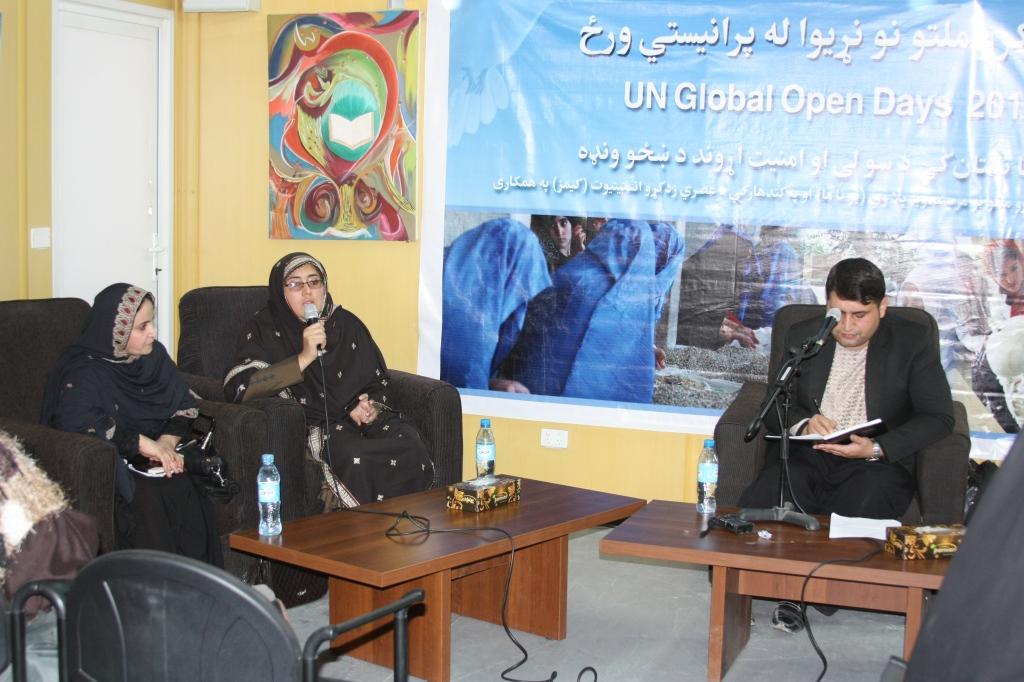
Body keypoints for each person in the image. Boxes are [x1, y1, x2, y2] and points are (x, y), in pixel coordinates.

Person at [738, 257, 955, 520]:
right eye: (837, 313)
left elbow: (939, 417)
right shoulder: (804, 336)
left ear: (882, 307)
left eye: (859, 315)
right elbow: (772, 406)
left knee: (863, 504)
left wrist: (877, 447)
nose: (847, 326)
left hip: (874, 464)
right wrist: (804, 425)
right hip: (807, 456)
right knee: (767, 501)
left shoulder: (912, 341)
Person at [224, 252, 433, 509]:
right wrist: (304, 357)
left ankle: (406, 522)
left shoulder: (346, 325)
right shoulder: (262, 329)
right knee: (354, 454)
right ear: (280, 291)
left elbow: (378, 381)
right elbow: (243, 388)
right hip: (316, 424)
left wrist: (369, 406)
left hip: (359, 420)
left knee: (409, 442)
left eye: (314, 282)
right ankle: (365, 527)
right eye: (295, 284)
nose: (307, 292)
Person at [41, 283, 222, 565]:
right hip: (113, 459)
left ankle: (198, 581)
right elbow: (76, 422)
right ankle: (153, 583)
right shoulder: (84, 371)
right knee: (149, 496)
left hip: (157, 453)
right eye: (142, 327)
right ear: (116, 331)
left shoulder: (154, 357)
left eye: (151, 323)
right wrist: (142, 444)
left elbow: (185, 405)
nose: (153, 332)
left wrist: (166, 444)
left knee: (186, 482)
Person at [501, 219, 684, 403]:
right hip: (566, 398)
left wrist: (647, 347)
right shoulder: (622, 295)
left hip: (516, 385)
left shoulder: (576, 270)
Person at [440, 218, 552, 392]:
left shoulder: (446, 273)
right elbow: (461, 383)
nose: (521, 306)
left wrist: (492, 384)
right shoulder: (469, 322)